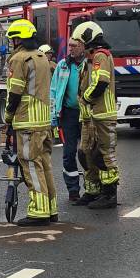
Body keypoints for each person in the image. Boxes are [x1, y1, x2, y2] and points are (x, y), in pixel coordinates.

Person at [3, 19, 57, 225]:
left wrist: (8, 117)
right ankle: (51, 209)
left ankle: (39, 212)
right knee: (45, 165)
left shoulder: (19, 59)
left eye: (13, 38)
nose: (12, 42)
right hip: (43, 121)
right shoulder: (42, 57)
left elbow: (15, 92)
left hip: (27, 121)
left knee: (30, 165)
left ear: (19, 39)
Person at [73, 21, 120, 210]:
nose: (78, 45)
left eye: (80, 41)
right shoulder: (90, 58)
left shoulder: (101, 55)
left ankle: (109, 194)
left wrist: (85, 98)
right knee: (85, 154)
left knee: (103, 156)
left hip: (102, 114)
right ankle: (93, 191)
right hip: (90, 117)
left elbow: (101, 83)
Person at [50, 38, 86, 202]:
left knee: (87, 152)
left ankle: (93, 188)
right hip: (68, 114)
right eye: (69, 45)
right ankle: (73, 190)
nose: (70, 49)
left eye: (74, 46)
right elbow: (53, 91)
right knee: (69, 153)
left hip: (86, 114)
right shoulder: (62, 65)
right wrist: (53, 116)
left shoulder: (90, 64)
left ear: (83, 47)